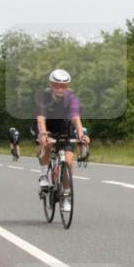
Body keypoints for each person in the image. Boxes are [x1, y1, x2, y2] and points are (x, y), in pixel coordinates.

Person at [33, 69, 90, 211]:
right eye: (56, 85)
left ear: (68, 86)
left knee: (69, 162)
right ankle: (43, 175)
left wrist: (80, 134)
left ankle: (66, 194)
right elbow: (41, 119)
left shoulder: (71, 98)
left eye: (63, 86)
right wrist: (43, 134)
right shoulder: (44, 97)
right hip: (46, 126)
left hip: (64, 127)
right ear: (51, 85)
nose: (60, 88)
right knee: (46, 144)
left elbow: (75, 118)